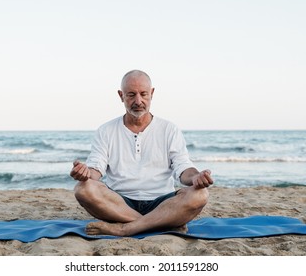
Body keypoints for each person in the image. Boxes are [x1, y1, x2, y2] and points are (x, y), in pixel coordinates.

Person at [70, 70, 213, 236]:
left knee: (200, 194)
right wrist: (85, 173)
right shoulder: (106, 130)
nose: (138, 101)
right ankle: (161, 224)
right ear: (121, 95)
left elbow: (183, 167)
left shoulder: (169, 129)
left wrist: (195, 177)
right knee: (82, 189)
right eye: (131, 95)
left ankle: (126, 228)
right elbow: (96, 167)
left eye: (143, 94)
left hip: (162, 202)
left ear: (151, 93)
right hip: (119, 203)